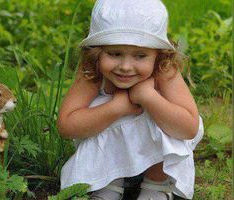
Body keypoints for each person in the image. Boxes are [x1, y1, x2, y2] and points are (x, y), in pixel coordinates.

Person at [57, 0, 204, 199]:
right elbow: (66, 126)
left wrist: (149, 97)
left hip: (157, 163)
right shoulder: (93, 72)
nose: (126, 66)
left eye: (140, 56)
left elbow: (188, 128)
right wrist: (116, 108)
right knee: (100, 110)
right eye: (115, 53)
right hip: (108, 158)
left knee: (162, 111)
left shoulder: (163, 69)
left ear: (158, 55)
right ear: (97, 52)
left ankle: (156, 186)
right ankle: (107, 184)